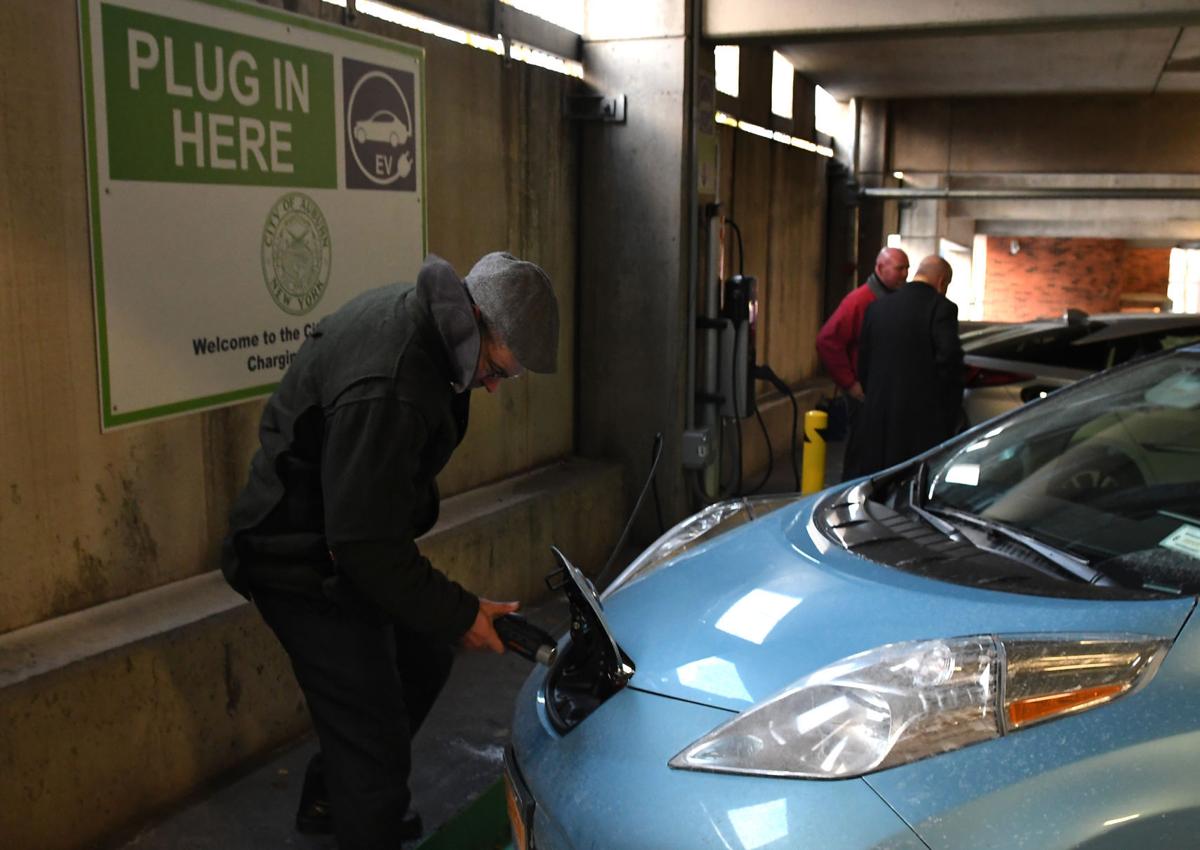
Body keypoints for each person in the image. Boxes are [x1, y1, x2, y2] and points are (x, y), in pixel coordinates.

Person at [220, 252, 559, 849]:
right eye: (498, 370)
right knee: (374, 744)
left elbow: (367, 531)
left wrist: (449, 615)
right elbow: (363, 545)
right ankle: (362, 817)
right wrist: (459, 611)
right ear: (477, 318)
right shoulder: (392, 382)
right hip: (296, 561)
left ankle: (332, 796)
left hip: (337, 543)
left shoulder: (431, 331)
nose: (493, 386)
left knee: (421, 657)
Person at [847, 254, 963, 479]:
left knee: (877, 486)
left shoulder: (878, 307)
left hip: (877, 419)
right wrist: (949, 412)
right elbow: (949, 360)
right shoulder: (942, 307)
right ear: (942, 282)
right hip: (920, 426)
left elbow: (864, 360)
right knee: (910, 489)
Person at [815, 247, 909, 476]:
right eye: (899, 268)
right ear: (880, 268)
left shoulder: (892, 299)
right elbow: (827, 340)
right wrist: (850, 384)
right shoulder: (859, 301)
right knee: (861, 454)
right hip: (864, 394)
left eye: (907, 268)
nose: (905, 274)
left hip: (882, 391)